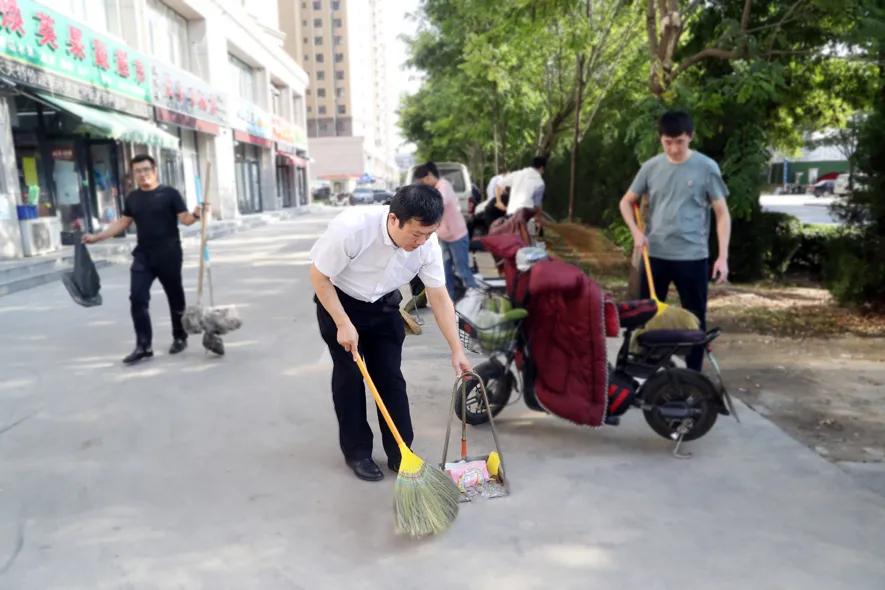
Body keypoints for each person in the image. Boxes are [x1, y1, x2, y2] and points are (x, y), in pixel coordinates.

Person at [310, 184, 472, 482]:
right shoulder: (352, 228)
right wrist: (343, 323)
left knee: (390, 377)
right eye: (416, 234)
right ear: (394, 219)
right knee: (350, 377)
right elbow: (319, 276)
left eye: (428, 234)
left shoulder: (427, 245)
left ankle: (401, 450)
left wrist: (456, 349)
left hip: (384, 306)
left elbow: (439, 297)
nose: (421, 242)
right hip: (339, 301)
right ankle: (357, 452)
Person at [618, 110, 732, 371]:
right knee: (648, 317)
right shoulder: (650, 167)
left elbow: (722, 213)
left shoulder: (706, 168)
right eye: (667, 142)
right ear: (661, 139)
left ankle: (692, 377)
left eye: (679, 141)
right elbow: (626, 201)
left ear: (690, 137)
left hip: (692, 257)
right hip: (654, 256)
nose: (673, 148)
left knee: (695, 320)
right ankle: (649, 372)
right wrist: (636, 232)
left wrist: (722, 256)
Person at [83, 154, 202, 365]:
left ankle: (180, 336)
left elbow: (184, 219)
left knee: (175, 297)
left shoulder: (170, 194)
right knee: (137, 299)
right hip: (143, 256)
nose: (142, 174)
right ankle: (144, 346)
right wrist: (97, 237)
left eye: (146, 169)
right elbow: (123, 222)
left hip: (169, 254)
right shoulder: (133, 198)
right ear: (133, 174)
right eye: (138, 171)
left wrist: (196, 215)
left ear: (154, 170)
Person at [413, 162, 478, 301]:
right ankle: (450, 303)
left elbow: (436, 207)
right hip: (443, 237)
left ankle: (476, 300)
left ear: (429, 176)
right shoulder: (435, 188)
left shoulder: (443, 186)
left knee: (462, 271)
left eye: (423, 180)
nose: (423, 184)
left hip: (457, 237)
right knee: (444, 271)